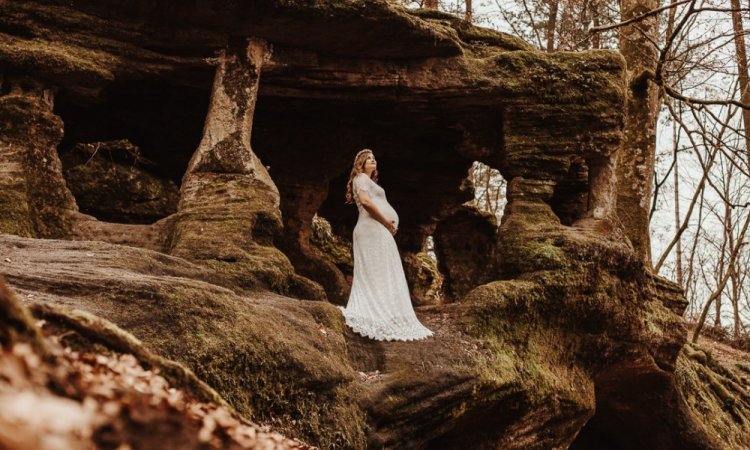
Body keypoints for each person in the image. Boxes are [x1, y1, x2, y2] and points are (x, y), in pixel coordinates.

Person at [340, 149, 433, 341]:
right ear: (361, 163)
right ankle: (373, 314)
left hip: (377, 231)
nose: (373, 161)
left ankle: (388, 313)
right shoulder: (361, 179)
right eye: (369, 159)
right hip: (371, 230)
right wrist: (385, 222)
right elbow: (365, 202)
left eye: (374, 159)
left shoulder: (369, 181)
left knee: (383, 271)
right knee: (376, 271)